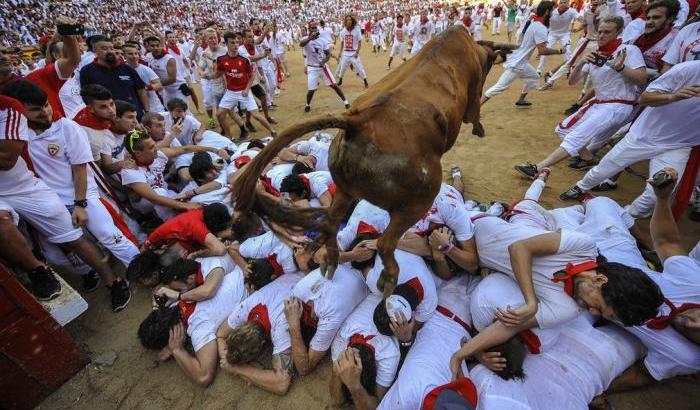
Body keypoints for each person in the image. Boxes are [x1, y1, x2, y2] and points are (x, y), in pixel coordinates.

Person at [448, 213, 663, 375]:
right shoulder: (583, 246)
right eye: (599, 307)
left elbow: (509, 325)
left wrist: (462, 354)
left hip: (468, 263)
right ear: (599, 280)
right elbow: (519, 249)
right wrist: (531, 301)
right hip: (471, 228)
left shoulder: (568, 309)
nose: (593, 312)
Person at [0, 94, 131, 310]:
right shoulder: (28, 134)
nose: (45, 112)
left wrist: (80, 203)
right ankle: (75, 272)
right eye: (36, 109)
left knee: (100, 234)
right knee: (55, 256)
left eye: (45, 105)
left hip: (75, 195)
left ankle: (115, 279)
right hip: (49, 196)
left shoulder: (64, 127)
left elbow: (80, 168)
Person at [559, 61, 699, 217]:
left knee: (656, 193)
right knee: (607, 166)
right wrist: (673, 96)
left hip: (679, 145)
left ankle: (626, 217)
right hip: (644, 135)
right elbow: (644, 98)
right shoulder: (689, 69)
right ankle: (581, 187)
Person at [515, 16, 647, 177]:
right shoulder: (595, 54)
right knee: (562, 130)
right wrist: (581, 62)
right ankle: (589, 158)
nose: (601, 35)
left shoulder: (628, 51)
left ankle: (537, 168)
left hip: (618, 105)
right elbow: (572, 81)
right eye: (600, 32)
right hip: (599, 103)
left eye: (607, 32)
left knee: (576, 137)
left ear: (619, 32)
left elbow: (641, 78)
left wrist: (621, 68)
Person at [137, 255, 245, 387]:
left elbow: (204, 377)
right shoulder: (180, 299)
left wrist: (177, 350)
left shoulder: (198, 327)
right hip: (244, 265)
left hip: (259, 285)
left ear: (171, 338)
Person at [377, 275, 482, 410]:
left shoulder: (405, 396)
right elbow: (466, 386)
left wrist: (406, 341)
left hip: (439, 307)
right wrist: (471, 354)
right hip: (470, 319)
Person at [216, 272, 302, 395]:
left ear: (262, 344)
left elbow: (282, 384)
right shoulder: (245, 309)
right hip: (296, 278)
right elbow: (221, 334)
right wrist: (228, 359)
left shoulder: (280, 327)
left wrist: (239, 369)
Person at [284, 263, 368, 375]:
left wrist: (294, 326)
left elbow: (304, 368)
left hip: (362, 271)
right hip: (353, 263)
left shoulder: (328, 318)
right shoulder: (297, 291)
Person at [482, 1, 566, 107]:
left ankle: (521, 100)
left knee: (534, 77)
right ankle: (477, 107)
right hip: (517, 64)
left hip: (520, 61)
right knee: (499, 87)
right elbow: (542, 51)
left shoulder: (534, 22)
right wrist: (559, 51)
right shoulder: (540, 27)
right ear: (547, 12)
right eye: (552, 10)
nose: (554, 13)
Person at [329, 293, 400, 408]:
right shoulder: (342, 338)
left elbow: (377, 405)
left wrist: (355, 386)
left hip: (392, 297)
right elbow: (336, 400)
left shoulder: (389, 353)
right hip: (379, 294)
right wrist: (336, 372)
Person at [213, 32, 276, 140]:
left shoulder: (244, 59)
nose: (236, 45)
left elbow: (251, 77)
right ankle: (229, 136)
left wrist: (247, 89)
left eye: (237, 42)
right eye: (232, 43)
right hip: (230, 92)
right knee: (219, 114)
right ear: (226, 44)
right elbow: (218, 73)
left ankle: (273, 131)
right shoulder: (222, 59)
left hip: (243, 92)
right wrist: (208, 76)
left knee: (256, 115)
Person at [79, 35, 149, 118]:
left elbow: (141, 90)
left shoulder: (127, 68)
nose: (110, 51)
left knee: (136, 132)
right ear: (95, 51)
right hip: (108, 120)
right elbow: (86, 96)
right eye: (104, 49)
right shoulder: (87, 71)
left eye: (111, 48)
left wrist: (147, 111)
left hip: (134, 118)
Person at [300, 22, 350, 112]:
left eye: (315, 28)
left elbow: (328, 54)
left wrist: (323, 61)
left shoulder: (322, 40)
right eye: (312, 28)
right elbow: (301, 44)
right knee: (311, 90)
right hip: (312, 67)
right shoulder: (306, 39)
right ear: (309, 29)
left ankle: (345, 101)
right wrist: (310, 38)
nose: (314, 29)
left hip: (323, 67)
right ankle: (308, 104)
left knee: (334, 85)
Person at [536, 0, 579, 76]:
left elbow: (580, 18)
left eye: (565, 2)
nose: (563, 4)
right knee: (546, 50)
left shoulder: (572, 11)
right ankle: (539, 70)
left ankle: (568, 69)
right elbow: (543, 18)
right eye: (561, 2)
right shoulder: (552, 12)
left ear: (568, 3)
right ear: (559, 3)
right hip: (552, 34)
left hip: (565, 34)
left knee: (568, 51)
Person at [143, 35, 188, 105]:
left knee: (183, 112)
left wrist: (151, 86)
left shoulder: (169, 59)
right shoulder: (148, 56)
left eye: (158, 45)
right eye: (152, 46)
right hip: (166, 90)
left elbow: (172, 79)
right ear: (147, 47)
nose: (156, 48)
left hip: (178, 89)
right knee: (169, 111)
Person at [123, 42, 164, 114]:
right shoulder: (123, 70)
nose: (134, 56)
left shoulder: (146, 69)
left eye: (136, 53)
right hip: (135, 109)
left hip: (154, 108)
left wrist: (145, 88)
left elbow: (159, 85)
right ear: (124, 55)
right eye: (130, 54)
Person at [337, 15, 369, 89]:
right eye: (347, 20)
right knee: (342, 68)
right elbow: (342, 42)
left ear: (352, 21)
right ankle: (340, 80)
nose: (349, 21)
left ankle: (365, 81)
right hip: (345, 53)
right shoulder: (342, 32)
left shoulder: (357, 30)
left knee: (359, 68)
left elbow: (360, 42)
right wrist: (340, 51)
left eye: (350, 20)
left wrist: (357, 52)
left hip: (354, 53)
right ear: (345, 21)